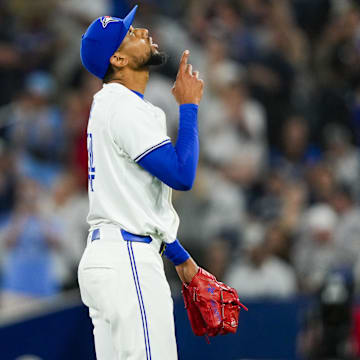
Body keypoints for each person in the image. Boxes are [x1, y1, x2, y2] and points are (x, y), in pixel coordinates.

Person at [78, 5, 203, 360]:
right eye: (131, 34)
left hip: (110, 257)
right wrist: (189, 107)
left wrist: (178, 255)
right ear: (117, 58)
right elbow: (182, 175)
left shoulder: (110, 106)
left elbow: (131, 197)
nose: (143, 32)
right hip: (127, 259)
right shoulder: (123, 107)